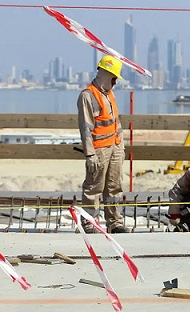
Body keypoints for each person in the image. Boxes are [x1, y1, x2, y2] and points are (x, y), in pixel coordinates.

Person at [77, 55, 128, 233]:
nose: (115, 82)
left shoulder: (109, 95)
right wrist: (90, 154)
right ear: (105, 73)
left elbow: (115, 122)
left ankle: (115, 223)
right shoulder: (88, 96)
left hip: (114, 148)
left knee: (114, 187)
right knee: (93, 188)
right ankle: (90, 225)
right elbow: (86, 128)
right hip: (99, 151)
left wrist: (121, 147)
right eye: (114, 77)